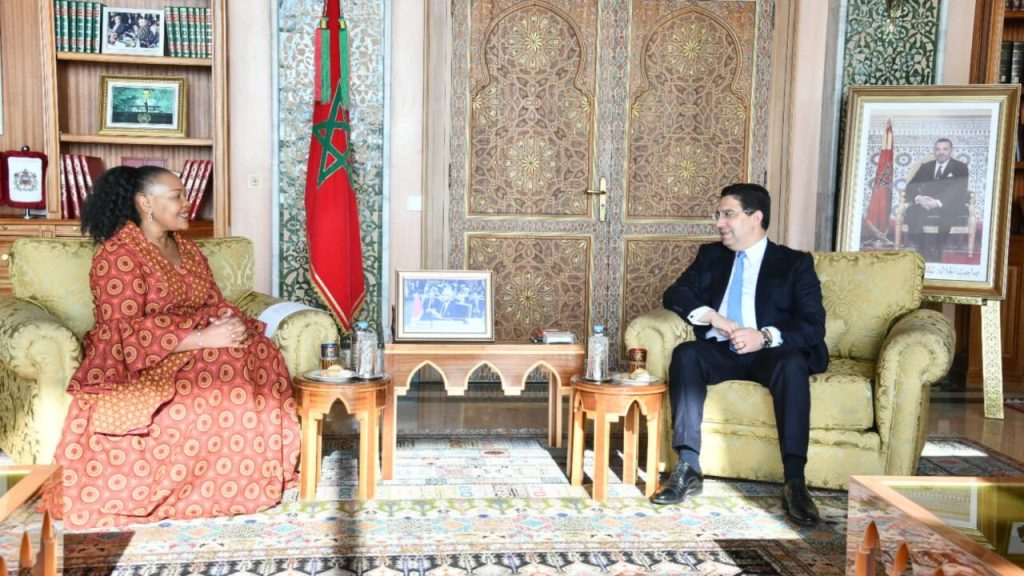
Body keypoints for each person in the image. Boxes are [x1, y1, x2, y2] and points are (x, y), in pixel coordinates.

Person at [48, 166, 300, 530]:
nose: (187, 204)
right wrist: (203, 339)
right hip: (141, 357)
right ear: (145, 203)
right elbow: (120, 332)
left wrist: (226, 322)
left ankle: (245, 478)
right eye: (176, 196)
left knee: (256, 349)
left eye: (185, 195)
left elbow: (211, 300)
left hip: (196, 339)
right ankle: (201, 490)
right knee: (222, 365)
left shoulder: (187, 247)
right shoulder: (118, 255)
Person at [652, 183, 828, 527]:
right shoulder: (711, 256)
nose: (719, 223)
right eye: (718, 215)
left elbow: (813, 325)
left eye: (728, 214)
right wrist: (713, 317)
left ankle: (795, 481)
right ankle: (688, 466)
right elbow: (675, 294)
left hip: (770, 353)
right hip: (722, 350)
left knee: (792, 363)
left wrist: (764, 336)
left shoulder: (794, 263)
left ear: (755, 217)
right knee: (686, 354)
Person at [903, 138, 970, 263]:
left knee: (947, 212)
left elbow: (959, 190)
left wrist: (937, 202)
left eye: (945, 149)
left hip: (949, 204)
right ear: (934, 151)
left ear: (951, 151)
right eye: (938, 149)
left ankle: (939, 246)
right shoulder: (926, 167)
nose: (941, 152)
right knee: (912, 211)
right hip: (925, 203)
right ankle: (922, 246)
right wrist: (919, 198)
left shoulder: (960, 167)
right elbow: (910, 187)